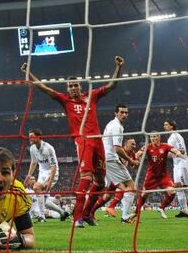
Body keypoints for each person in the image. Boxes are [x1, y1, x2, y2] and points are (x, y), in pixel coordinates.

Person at [21, 56, 124, 227]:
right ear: (67, 89)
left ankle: (87, 214)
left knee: (100, 181)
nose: (74, 88)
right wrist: (28, 73)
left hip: (98, 140)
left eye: (76, 85)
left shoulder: (91, 96)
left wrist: (118, 67)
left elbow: (112, 85)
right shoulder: (65, 99)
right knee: (86, 177)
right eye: (70, 86)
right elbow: (44, 88)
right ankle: (77, 218)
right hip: (83, 140)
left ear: (80, 86)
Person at [89, 105, 139, 223]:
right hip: (111, 159)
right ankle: (125, 217)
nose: (124, 115)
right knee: (131, 188)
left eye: (126, 113)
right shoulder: (117, 127)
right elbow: (117, 148)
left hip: (105, 158)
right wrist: (132, 161)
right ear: (116, 113)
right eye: (121, 112)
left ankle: (85, 211)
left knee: (103, 186)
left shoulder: (111, 124)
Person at [135, 134, 183, 219]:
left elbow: (174, 150)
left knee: (172, 192)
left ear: (159, 138)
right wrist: (137, 157)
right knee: (144, 195)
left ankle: (161, 208)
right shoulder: (147, 147)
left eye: (155, 137)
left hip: (163, 176)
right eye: (151, 137)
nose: (153, 138)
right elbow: (138, 153)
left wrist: (178, 152)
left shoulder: (165, 146)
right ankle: (135, 213)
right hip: (151, 176)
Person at [25, 129, 67, 221]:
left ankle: (42, 217)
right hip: (42, 173)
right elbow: (33, 162)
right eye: (29, 136)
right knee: (44, 200)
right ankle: (63, 213)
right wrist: (28, 176)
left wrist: (49, 182)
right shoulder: (32, 148)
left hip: (52, 173)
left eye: (32, 136)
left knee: (36, 188)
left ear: (39, 137)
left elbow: (54, 166)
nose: (30, 138)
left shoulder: (48, 148)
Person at [163, 119, 188, 217]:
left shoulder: (176, 136)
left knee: (187, 188)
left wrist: (166, 153)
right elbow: (172, 154)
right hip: (176, 165)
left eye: (166, 125)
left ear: (172, 126)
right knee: (178, 187)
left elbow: (182, 150)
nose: (164, 126)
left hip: (183, 164)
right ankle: (184, 211)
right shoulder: (170, 138)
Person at [104, 138, 138, 217]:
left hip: (118, 175)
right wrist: (132, 161)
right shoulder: (120, 151)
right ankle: (116, 210)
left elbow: (135, 166)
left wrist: (136, 164)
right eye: (132, 144)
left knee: (106, 196)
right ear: (126, 144)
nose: (134, 146)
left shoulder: (132, 154)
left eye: (135, 144)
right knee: (127, 188)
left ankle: (91, 212)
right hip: (113, 173)